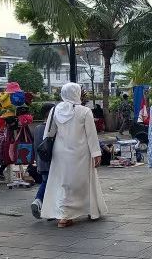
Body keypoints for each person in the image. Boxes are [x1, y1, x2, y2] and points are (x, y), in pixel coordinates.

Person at [41, 83, 107, 228]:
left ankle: (64, 214)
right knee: (83, 182)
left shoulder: (54, 110)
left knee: (63, 183)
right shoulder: (84, 111)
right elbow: (91, 135)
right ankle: (85, 210)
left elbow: (48, 133)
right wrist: (96, 153)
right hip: (81, 152)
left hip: (60, 152)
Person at [31, 103, 55, 219]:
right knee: (52, 186)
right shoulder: (54, 128)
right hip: (53, 162)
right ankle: (41, 202)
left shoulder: (37, 128)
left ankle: (41, 204)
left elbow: (36, 147)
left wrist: (37, 162)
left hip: (41, 162)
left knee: (45, 183)